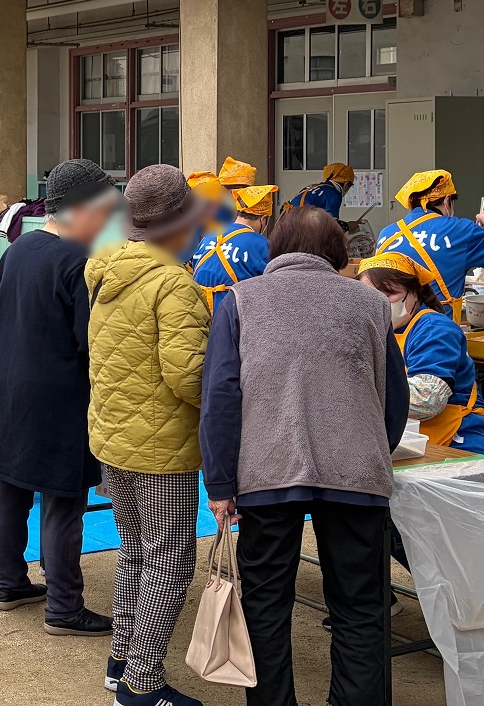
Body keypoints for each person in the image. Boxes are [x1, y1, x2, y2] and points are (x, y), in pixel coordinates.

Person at [200, 207, 408, 706]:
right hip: (356, 474)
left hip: (267, 472)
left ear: (275, 248)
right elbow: (394, 398)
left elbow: (221, 397)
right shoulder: (371, 304)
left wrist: (221, 484)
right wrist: (370, 448)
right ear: (339, 252)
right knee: (360, 606)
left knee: (265, 603)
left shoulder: (241, 300)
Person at [0, 159, 119, 639]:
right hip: (54, 394)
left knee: (9, 486)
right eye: (103, 210)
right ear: (80, 209)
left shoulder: (19, 248)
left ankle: (9, 583)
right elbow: (89, 340)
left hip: (2, 383)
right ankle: (64, 607)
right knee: (63, 499)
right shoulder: (79, 261)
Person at [86, 164, 211, 706]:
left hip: (113, 433)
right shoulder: (173, 283)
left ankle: (123, 659)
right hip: (162, 447)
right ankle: (141, 683)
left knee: (136, 549)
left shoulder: (105, 271)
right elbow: (189, 374)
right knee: (170, 558)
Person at [358, 252, 484, 457]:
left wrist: (356, 390)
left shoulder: (435, 329)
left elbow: (426, 400)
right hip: (409, 440)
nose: (378, 303)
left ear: (415, 293)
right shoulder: (373, 333)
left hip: (460, 444)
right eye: (369, 297)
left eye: (388, 295)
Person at [375, 169, 484, 322]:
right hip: (438, 329)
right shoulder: (460, 230)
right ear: (447, 200)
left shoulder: (387, 234)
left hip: (390, 329)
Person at [191, 184, 277, 314]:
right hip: (232, 315)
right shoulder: (262, 245)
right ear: (263, 219)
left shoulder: (208, 237)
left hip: (199, 313)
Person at [281, 163, 354, 219]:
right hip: (297, 228)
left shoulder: (312, 187)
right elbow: (331, 226)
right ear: (346, 184)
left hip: (283, 223)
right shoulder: (334, 194)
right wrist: (348, 226)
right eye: (350, 185)